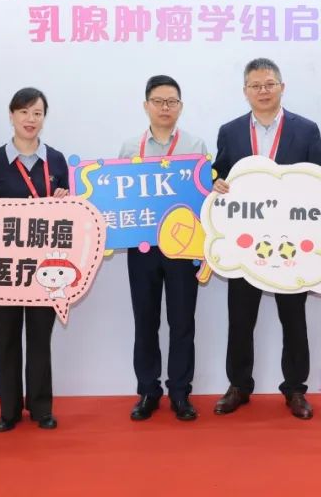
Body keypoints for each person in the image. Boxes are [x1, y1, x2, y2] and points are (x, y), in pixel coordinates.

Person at [212, 58, 321, 420]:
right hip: (244, 245)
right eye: (255, 85)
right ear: (245, 91)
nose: (263, 91)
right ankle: (238, 385)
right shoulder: (230, 131)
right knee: (240, 318)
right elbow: (218, 176)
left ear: (282, 87)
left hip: (291, 246)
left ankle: (296, 388)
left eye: (269, 84)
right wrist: (216, 184)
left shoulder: (306, 130)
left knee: (294, 319)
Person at [0, 87, 68, 432]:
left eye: (37, 113)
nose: (30, 119)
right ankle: (9, 410)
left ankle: (42, 408)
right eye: (24, 112)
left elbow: (70, 216)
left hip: (46, 268)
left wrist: (66, 198)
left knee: (40, 340)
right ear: (11, 115)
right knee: (7, 340)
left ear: (45, 118)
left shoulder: (56, 160)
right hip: (5, 270)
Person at [117, 75, 208, 422]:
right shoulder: (130, 148)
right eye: (158, 101)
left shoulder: (196, 146)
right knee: (146, 321)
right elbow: (118, 198)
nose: (165, 107)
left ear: (180, 107)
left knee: (182, 321)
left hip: (183, 249)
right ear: (146, 106)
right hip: (142, 248)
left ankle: (180, 393)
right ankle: (148, 391)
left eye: (172, 102)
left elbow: (204, 197)